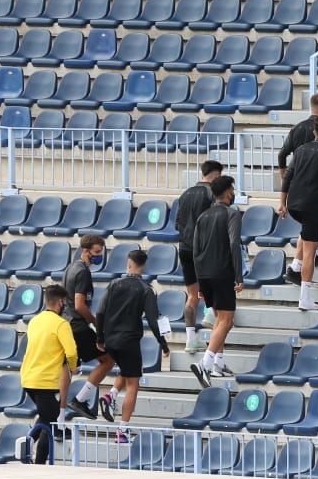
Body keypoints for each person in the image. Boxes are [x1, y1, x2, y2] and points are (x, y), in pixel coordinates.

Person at [95, 249, 172, 442]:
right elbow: (154, 321)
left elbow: (100, 312)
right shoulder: (146, 289)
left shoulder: (113, 284)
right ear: (143, 266)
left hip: (110, 339)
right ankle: (122, 430)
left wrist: (99, 338)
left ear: (128, 263)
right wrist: (163, 345)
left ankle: (110, 395)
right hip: (129, 340)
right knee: (133, 384)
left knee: (126, 370)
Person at [278, 117, 318, 312]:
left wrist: (282, 202)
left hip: (294, 203)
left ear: (314, 132)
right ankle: (305, 296)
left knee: (306, 235)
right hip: (312, 205)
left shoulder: (301, 149)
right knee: (311, 253)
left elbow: (288, 175)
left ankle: (296, 265)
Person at [62, 234, 125, 422]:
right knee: (108, 360)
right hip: (78, 326)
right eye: (97, 252)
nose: (100, 256)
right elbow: (80, 305)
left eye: (101, 252)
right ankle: (80, 399)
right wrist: (96, 322)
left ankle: (61, 411)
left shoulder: (70, 267)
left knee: (68, 368)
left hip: (67, 324)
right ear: (86, 250)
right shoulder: (82, 272)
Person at [189, 175, 244, 388]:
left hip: (204, 273)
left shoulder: (203, 216)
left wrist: (200, 282)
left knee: (219, 319)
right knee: (226, 321)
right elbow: (233, 245)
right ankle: (205, 363)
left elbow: (195, 251)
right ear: (228, 192)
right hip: (222, 271)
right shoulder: (232, 214)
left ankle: (218, 365)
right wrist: (238, 276)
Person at [20, 284, 78, 462]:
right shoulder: (61, 324)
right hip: (46, 381)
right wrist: (73, 367)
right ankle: (34, 457)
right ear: (60, 302)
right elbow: (72, 352)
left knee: (46, 417)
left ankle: (28, 449)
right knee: (50, 421)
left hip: (28, 378)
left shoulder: (35, 321)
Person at [175, 160, 224, 352]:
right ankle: (210, 315)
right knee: (217, 285)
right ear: (216, 176)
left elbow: (177, 223)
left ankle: (190, 340)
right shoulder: (211, 193)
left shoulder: (186, 193)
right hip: (202, 247)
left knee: (192, 295)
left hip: (184, 247)